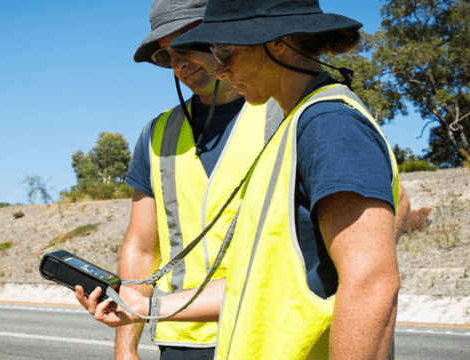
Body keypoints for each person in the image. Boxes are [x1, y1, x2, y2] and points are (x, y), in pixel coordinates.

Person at [79, 1, 411, 359]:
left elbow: (370, 283)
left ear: (277, 42)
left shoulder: (327, 125)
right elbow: (254, 282)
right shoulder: (294, 126)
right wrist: (141, 309)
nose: (220, 69)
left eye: (224, 50)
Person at [115, 0, 282, 359]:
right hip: (181, 340)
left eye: (189, 46)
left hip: (263, 336)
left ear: (225, 37)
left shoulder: (284, 113)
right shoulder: (157, 134)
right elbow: (141, 247)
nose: (179, 63)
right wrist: (125, 349)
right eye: (169, 54)